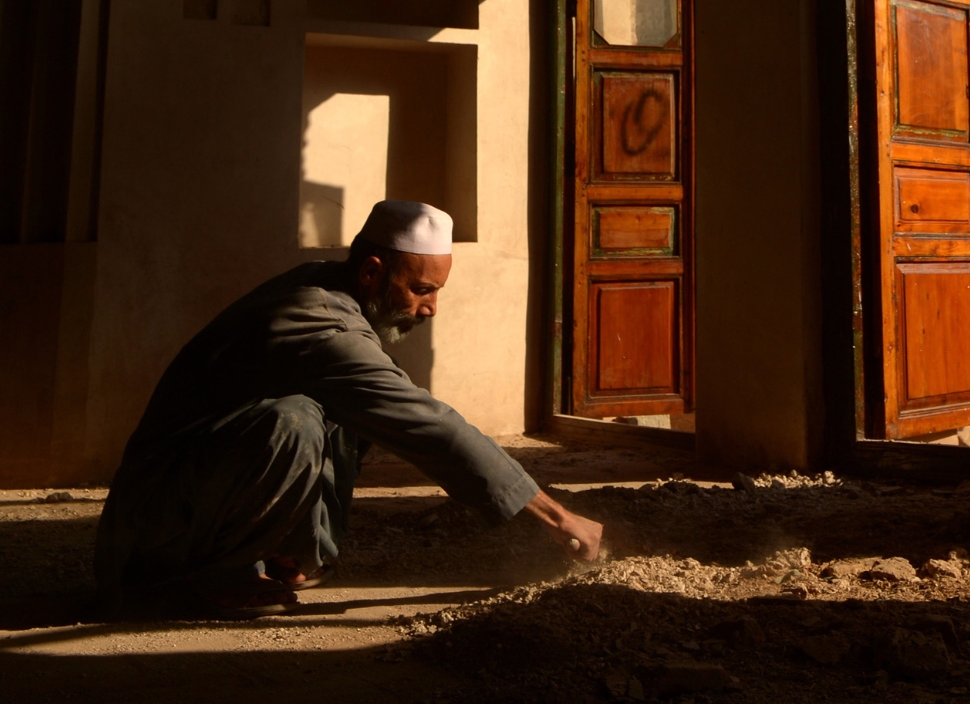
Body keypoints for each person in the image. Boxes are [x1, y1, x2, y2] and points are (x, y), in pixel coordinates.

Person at [94, 200, 603, 616]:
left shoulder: (332, 293)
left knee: (333, 412)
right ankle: (203, 579)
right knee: (291, 422)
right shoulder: (315, 320)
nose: (429, 309)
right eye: (421, 290)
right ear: (371, 271)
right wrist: (557, 517)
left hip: (186, 501)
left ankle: (290, 553)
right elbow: (427, 426)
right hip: (151, 528)